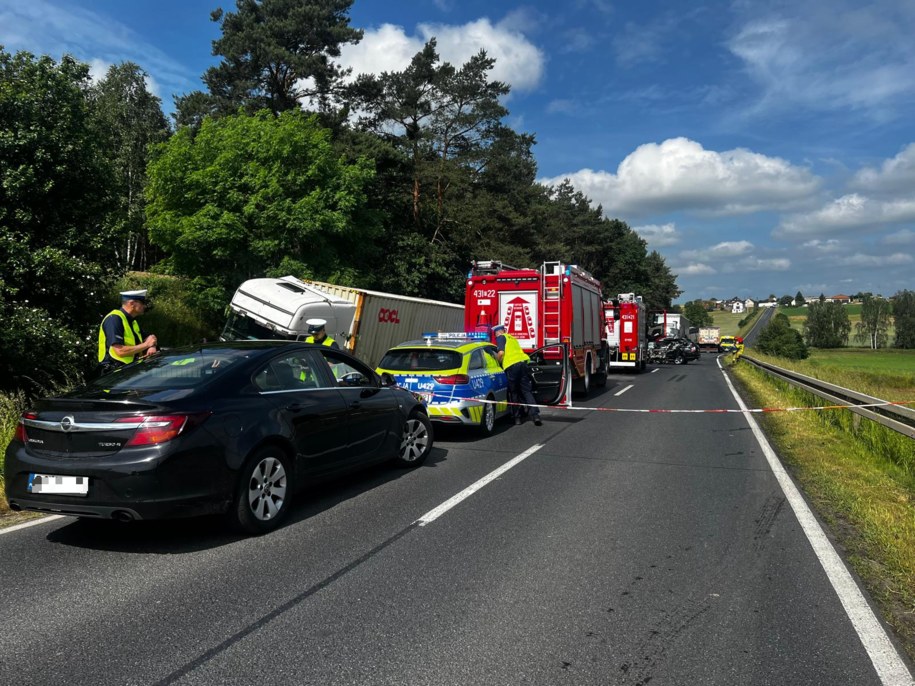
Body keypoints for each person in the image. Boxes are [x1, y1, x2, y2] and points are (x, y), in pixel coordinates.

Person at [97, 289, 157, 375]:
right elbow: (120, 351)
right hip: (112, 374)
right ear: (132, 303)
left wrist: (152, 346)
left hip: (126, 372)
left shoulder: (132, 322)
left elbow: (151, 338)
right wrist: (147, 345)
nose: (145, 306)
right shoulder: (114, 319)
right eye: (142, 303)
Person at [493, 323, 542, 426]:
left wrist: (497, 361)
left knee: (513, 392)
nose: (496, 336)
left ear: (498, 332)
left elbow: (501, 353)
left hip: (512, 366)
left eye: (495, 334)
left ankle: (517, 418)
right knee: (526, 391)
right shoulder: (512, 338)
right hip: (523, 364)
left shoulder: (501, 338)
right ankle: (536, 416)